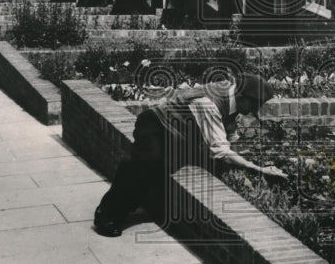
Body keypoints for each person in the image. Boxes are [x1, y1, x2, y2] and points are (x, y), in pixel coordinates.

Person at [94, 71, 284, 237]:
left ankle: (139, 201)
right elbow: (222, 151)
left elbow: (230, 136)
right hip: (156, 125)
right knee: (145, 162)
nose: (253, 111)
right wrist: (257, 169)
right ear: (242, 97)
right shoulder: (209, 104)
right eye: (253, 106)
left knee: (165, 168)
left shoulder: (233, 95)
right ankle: (106, 215)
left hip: (179, 134)